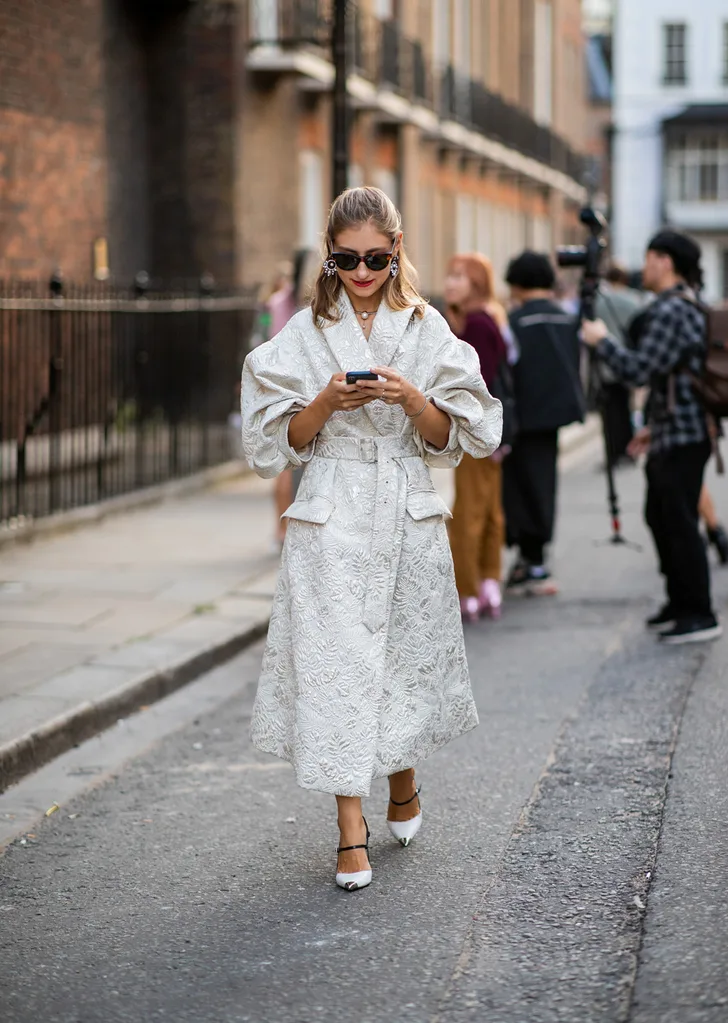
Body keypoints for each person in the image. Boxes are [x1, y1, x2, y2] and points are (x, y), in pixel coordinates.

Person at [241, 186, 502, 892]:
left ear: (398, 252)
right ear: (329, 257)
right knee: (335, 667)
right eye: (347, 259)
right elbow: (272, 445)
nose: (362, 272)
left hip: (406, 508)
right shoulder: (301, 333)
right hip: (329, 512)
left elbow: (467, 432)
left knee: (400, 660)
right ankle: (348, 826)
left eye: (377, 258)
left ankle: (405, 777)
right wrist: (325, 401)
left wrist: (413, 399)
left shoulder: (424, 327)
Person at [582, 230, 721, 644]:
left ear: (665, 261)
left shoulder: (671, 311)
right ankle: (681, 603)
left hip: (684, 434)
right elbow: (669, 377)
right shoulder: (680, 305)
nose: (644, 267)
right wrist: (650, 427)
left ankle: (699, 612)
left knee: (677, 521)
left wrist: (602, 341)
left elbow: (640, 369)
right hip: (674, 430)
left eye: (649, 258)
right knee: (662, 516)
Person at [503, 251, 585, 596]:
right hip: (554, 413)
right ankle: (535, 556)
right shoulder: (567, 318)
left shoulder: (515, 320)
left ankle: (531, 559)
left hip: (522, 414)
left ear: (518, 284)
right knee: (544, 483)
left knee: (519, 487)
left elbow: (508, 369)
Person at [444, 253, 508, 621]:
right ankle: (488, 583)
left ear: (477, 284)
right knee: (486, 510)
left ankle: (468, 588)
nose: (450, 283)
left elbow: (476, 386)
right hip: (489, 430)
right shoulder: (482, 319)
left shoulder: (478, 324)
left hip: (475, 430)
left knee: (470, 511)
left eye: (458, 277)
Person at [593, 263, 645, 464]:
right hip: (628, 358)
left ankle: (613, 451)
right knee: (627, 406)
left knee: (609, 409)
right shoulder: (634, 300)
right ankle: (629, 448)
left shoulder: (599, 301)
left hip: (605, 361)